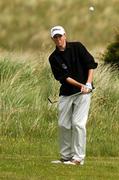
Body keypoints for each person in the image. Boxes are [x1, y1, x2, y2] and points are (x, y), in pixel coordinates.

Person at [48, 25, 98, 165]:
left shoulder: (77, 47)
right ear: (52, 39)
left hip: (84, 93)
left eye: (60, 36)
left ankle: (78, 158)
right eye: (55, 37)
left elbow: (91, 65)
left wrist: (88, 84)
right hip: (67, 92)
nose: (58, 39)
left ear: (65, 35)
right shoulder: (53, 58)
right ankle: (65, 157)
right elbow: (64, 78)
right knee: (63, 124)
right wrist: (81, 85)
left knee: (78, 123)